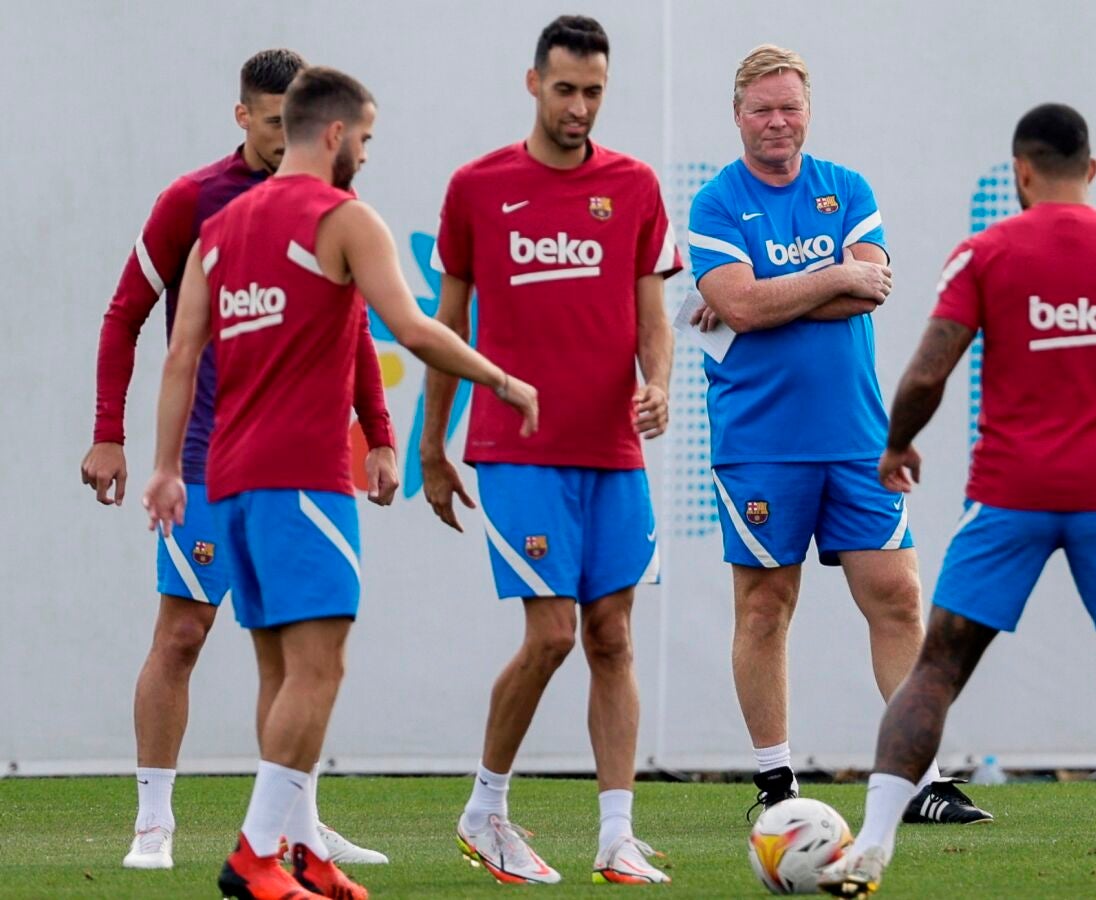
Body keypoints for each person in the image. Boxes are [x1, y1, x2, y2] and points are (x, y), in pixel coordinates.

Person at [820, 103, 1096, 899]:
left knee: (937, 669)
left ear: (1021, 173)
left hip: (1010, 494)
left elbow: (926, 372)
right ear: (1092, 170)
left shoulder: (986, 253)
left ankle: (871, 846)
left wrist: (898, 445)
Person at [142, 66, 539, 900]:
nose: (366, 152)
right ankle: (256, 854)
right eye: (365, 137)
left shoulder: (222, 227)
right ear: (333, 134)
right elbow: (414, 328)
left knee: (281, 673)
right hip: (301, 481)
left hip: (229, 482)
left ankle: (298, 850)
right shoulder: (344, 217)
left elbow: (180, 357)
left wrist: (167, 468)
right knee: (320, 670)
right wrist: (502, 381)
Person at [81, 48, 392, 871]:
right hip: (208, 458)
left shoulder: (335, 203)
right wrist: (110, 432)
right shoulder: (194, 201)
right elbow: (125, 316)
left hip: (294, 461)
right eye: (271, 119)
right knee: (182, 631)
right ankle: (153, 822)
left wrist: (380, 433)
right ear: (243, 115)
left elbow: (357, 326)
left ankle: (296, 827)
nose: (285, 134)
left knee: (295, 647)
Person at [687, 43, 989, 826]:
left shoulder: (846, 188)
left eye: (789, 107)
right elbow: (742, 306)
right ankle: (775, 781)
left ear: (808, 111)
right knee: (764, 607)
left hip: (857, 436)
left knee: (898, 595)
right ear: (737, 115)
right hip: (759, 442)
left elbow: (870, 289)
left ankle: (918, 781)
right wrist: (831, 276)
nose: (777, 121)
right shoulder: (716, 204)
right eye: (762, 109)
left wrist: (774, 292)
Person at [420, 15, 680, 886]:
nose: (580, 107)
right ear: (533, 83)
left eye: (594, 92)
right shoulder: (477, 187)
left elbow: (653, 315)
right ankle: (484, 810)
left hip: (612, 448)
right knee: (553, 635)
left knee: (612, 636)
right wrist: (432, 446)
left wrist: (658, 383)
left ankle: (617, 837)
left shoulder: (635, 186)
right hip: (517, 447)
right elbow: (446, 326)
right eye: (565, 89)